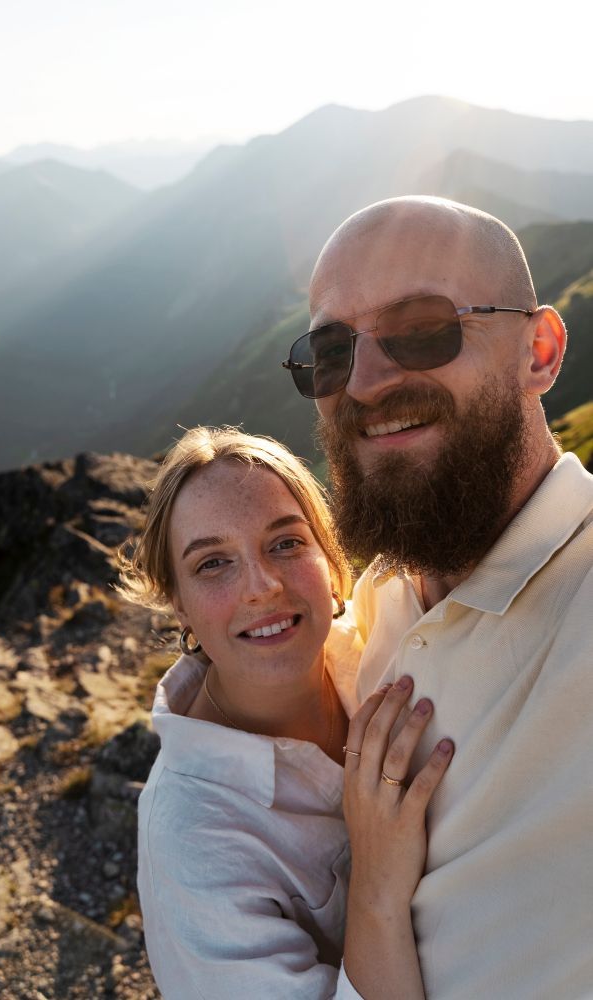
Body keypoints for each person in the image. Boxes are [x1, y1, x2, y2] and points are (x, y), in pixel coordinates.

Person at [282, 195, 593, 998]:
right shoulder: (378, 604)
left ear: (541, 351)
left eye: (423, 329)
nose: (367, 383)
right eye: (331, 351)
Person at [119, 426, 454, 999]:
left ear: (330, 558)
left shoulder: (393, 646)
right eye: (212, 564)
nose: (262, 586)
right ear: (178, 603)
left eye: (286, 544)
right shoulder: (191, 838)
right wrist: (375, 885)